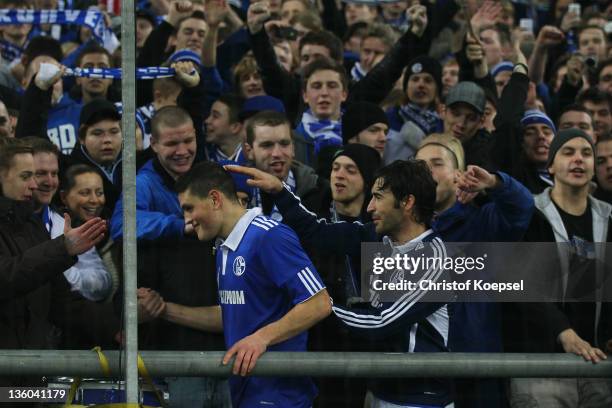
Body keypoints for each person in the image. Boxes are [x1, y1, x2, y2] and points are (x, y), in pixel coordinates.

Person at [227, 159, 454, 407]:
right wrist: (280, 191)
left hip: (420, 399)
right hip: (378, 391)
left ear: (407, 202)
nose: (370, 207)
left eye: (378, 197)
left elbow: (382, 321)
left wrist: (320, 306)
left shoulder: (435, 259)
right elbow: (315, 232)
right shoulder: (375, 237)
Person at [174, 161, 332, 407]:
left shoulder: (269, 236)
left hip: (280, 396)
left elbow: (319, 303)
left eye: (189, 208)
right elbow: (236, 314)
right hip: (246, 392)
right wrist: (165, 310)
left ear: (215, 199)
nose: (187, 219)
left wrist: (262, 338)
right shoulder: (223, 248)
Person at [111, 106, 229, 408]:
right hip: (173, 339)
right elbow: (122, 225)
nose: (182, 151)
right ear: (153, 144)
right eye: (171, 144)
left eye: (188, 141)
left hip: (221, 333)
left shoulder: (208, 175)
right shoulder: (144, 183)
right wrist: (179, 225)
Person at [508, 128, 612, 407]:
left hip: (598, 366)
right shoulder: (530, 213)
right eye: (568, 152)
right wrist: (563, 332)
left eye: (586, 153)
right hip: (542, 368)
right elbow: (522, 287)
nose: (578, 159)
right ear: (551, 166)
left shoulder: (609, 216)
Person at [0, 138, 106, 391]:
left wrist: (113, 325)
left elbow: (60, 298)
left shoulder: (31, 223)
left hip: (32, 376)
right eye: (26, 176)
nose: (35, 185)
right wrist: (62, 248)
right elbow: (6, 276)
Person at [243, 110, 327, 220]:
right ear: (249, 151)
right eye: (267, 145)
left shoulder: (320, 191)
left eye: (284, 144)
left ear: (293, 148)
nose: (277, 153)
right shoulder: (236, 192)